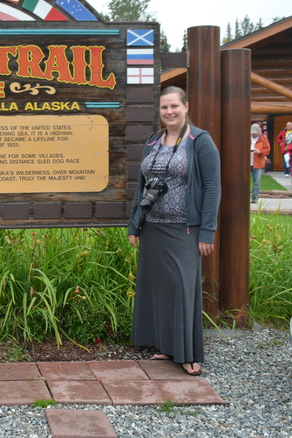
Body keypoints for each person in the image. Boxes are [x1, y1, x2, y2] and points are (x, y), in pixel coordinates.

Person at [128, 86, 221, 377]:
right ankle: (167, 346)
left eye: (174, 106)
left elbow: (212, 188)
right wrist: (135, 222)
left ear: (186, 106)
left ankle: (188, 353)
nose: (169, 112)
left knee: (182, 288)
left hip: (185, 228)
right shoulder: (154, 141)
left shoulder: (200, 141)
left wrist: (207, 231)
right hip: (153, 227)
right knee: (160, 290)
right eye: (164, 107)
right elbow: (142, 186)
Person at [250, 124, 270, 203]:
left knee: (256, 182)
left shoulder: (264, 139)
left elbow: (267, 150)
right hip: (246, 163)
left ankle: (254, 198)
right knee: (243, 181)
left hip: (258, 164)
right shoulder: (246, 137)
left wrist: (260, 152)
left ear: (259, 131)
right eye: (252, 132)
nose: (253, 134)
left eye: (255, 132)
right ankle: (243, 197)